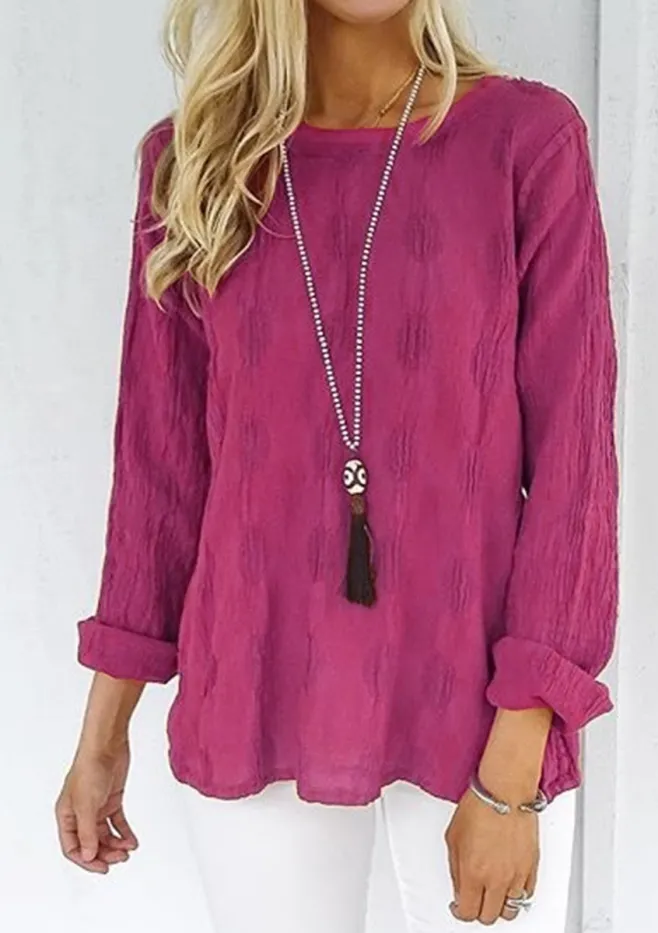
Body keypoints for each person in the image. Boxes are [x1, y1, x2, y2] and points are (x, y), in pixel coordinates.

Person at [54, 1, 619, 930]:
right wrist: (103, 729)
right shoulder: (194, 163)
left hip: (480, 711)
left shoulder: (526, 142)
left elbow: (576, 467)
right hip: (253, 688)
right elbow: (159, 470)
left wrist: (516, 764)